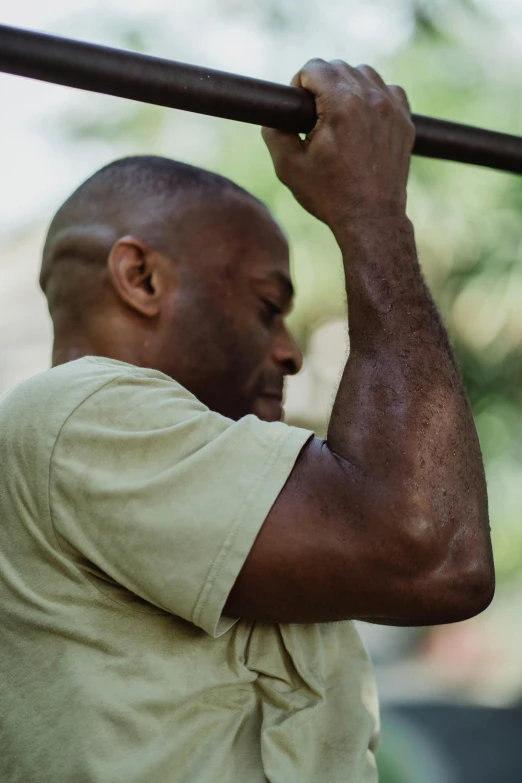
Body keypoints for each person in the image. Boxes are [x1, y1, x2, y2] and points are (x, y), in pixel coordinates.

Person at [0, 60, 494, 783]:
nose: (289, 352)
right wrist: (371, 213)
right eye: (269, 306)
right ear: (141, 279)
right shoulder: (78, 412)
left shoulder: (216, 471)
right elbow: (431, 553)